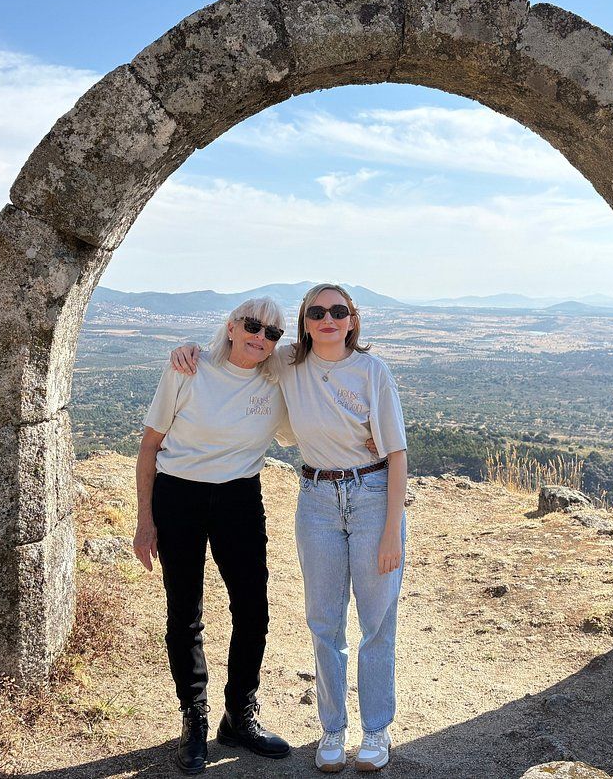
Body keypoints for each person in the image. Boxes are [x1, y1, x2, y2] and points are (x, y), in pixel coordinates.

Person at [171, 282, 408, 773]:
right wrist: (189, 348)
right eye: (317, 311)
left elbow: (397, 453)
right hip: (317, 499)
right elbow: (239, 350)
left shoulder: (371, 370)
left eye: (338, 311)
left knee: (376, 623)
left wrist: (391, 529)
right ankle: (333, 728)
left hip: (369, 496)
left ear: (352, 320)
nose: (329, 318)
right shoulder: (287, 362)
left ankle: (376, 729)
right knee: (324, 622)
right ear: (304, 322)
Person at [133, 296, 295, 775]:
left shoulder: (278, 380)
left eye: (272, 333)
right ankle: (194, 720)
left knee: (254, 610)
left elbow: (320, 406)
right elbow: (149, 446)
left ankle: (238, 717)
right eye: (252, 325)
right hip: (178, 495)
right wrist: (146, 522)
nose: (260, 337)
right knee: (185, 613)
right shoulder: (188, 369)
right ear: (230, 326)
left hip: (240, 498)